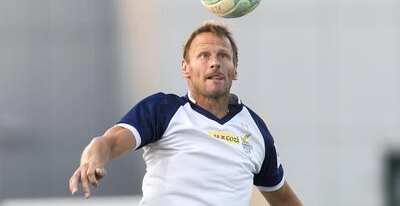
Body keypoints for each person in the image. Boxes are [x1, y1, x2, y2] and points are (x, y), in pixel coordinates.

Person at [69, 20, 303, 206]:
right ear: (186, 68)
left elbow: (282, 198)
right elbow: (108, 142)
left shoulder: (254, 128)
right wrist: (92, 160)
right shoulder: (163, 110)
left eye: (223, 55)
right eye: (204, 55)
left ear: (235, 70)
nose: (215, 63)